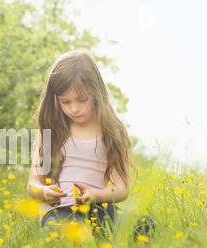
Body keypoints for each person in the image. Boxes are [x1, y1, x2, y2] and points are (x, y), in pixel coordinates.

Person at [27, 48, 154, 238]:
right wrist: (44, 192)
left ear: (96, 92)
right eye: (66, 102)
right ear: (56, 100)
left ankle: (96, 233)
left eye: (82, 100)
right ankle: (89, 235)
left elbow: (121, 189)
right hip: (59, 211)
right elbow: (33, 184)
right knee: (59, 229)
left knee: (143, 224)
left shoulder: (112, 131)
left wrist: (95, 196)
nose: (75, 109)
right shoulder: (51, 131)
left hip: (98, 208)